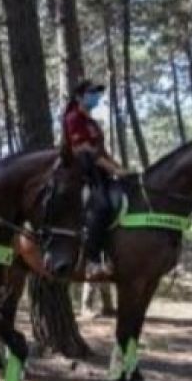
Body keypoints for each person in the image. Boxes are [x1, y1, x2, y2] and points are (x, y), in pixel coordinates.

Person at [63, 79, 125, 279]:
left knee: (121, 201)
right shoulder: (73, 118)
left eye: (97, 93)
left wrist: (121, 169)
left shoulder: (93, 123)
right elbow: (82, 150)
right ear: (79, 96)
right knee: (101, 206)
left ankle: (111, 255)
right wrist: (112, 169)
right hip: (82, 173)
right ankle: (91, 260)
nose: (96, 97)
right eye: (92, 93)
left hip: (100, 172)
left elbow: (101, 152)